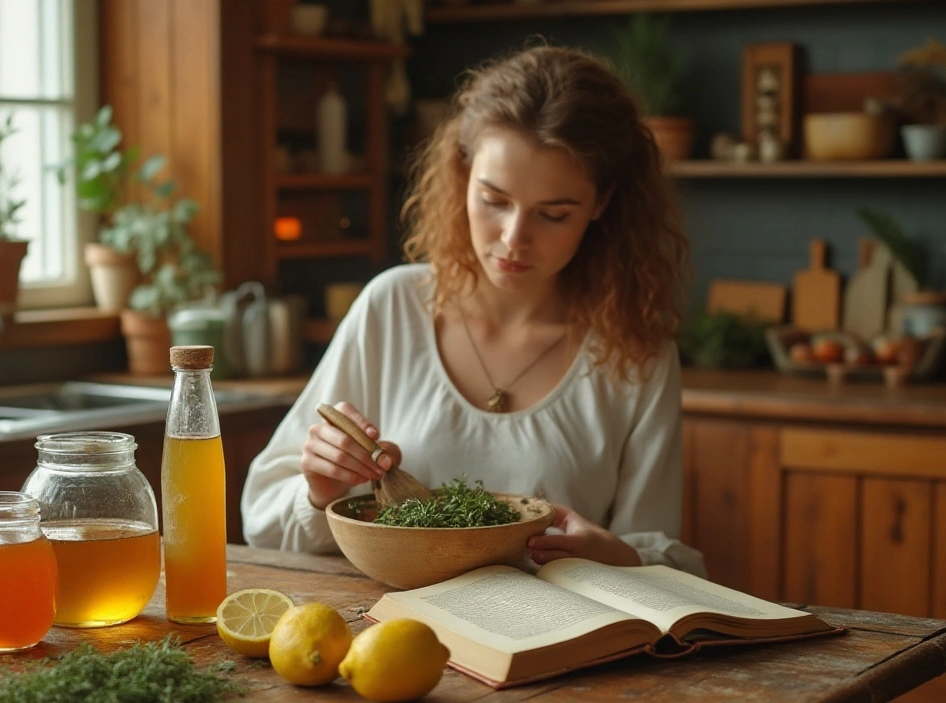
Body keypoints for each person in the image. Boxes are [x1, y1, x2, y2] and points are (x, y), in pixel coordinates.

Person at [241, 44, 706, 577]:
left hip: (553, 644)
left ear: (601, 204)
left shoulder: (637, 356)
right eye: (494, 200)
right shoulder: (393, 308)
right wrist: (322, 491)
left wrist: (619, 558)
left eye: (553, 214)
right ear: (463, 176)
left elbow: (666, 563)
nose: (514, 239)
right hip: (389, 639)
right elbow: (262, 521)